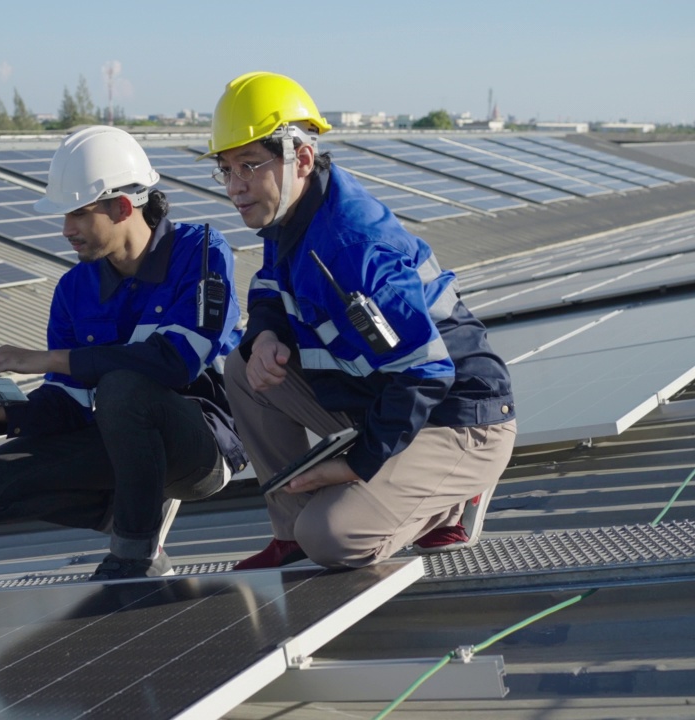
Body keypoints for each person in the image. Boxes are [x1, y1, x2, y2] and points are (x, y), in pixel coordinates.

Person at [202, 72, 517, 571]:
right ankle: (291, 532)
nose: (235, 187)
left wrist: (352, 465)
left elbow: (426, 374)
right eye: (225, 169)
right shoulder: (292, 213)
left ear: (300, 158)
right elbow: (269, 285)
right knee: (243, 368)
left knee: (331, 538)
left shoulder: (350, 248)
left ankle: (450, 497)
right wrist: (264, 336)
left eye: (248, 165)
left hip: (458, 418)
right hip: (383, 402)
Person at [0, 126, 247, 581]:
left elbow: (175, 363)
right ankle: (133, 504)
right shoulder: (74, 289)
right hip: (123, 444)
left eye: (78, 215)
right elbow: (67, 403)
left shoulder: (202, 254)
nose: (66, 230)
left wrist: (47, 359)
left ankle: (135, 556)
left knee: (123, 385)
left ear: (123, 207)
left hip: (200, 447)